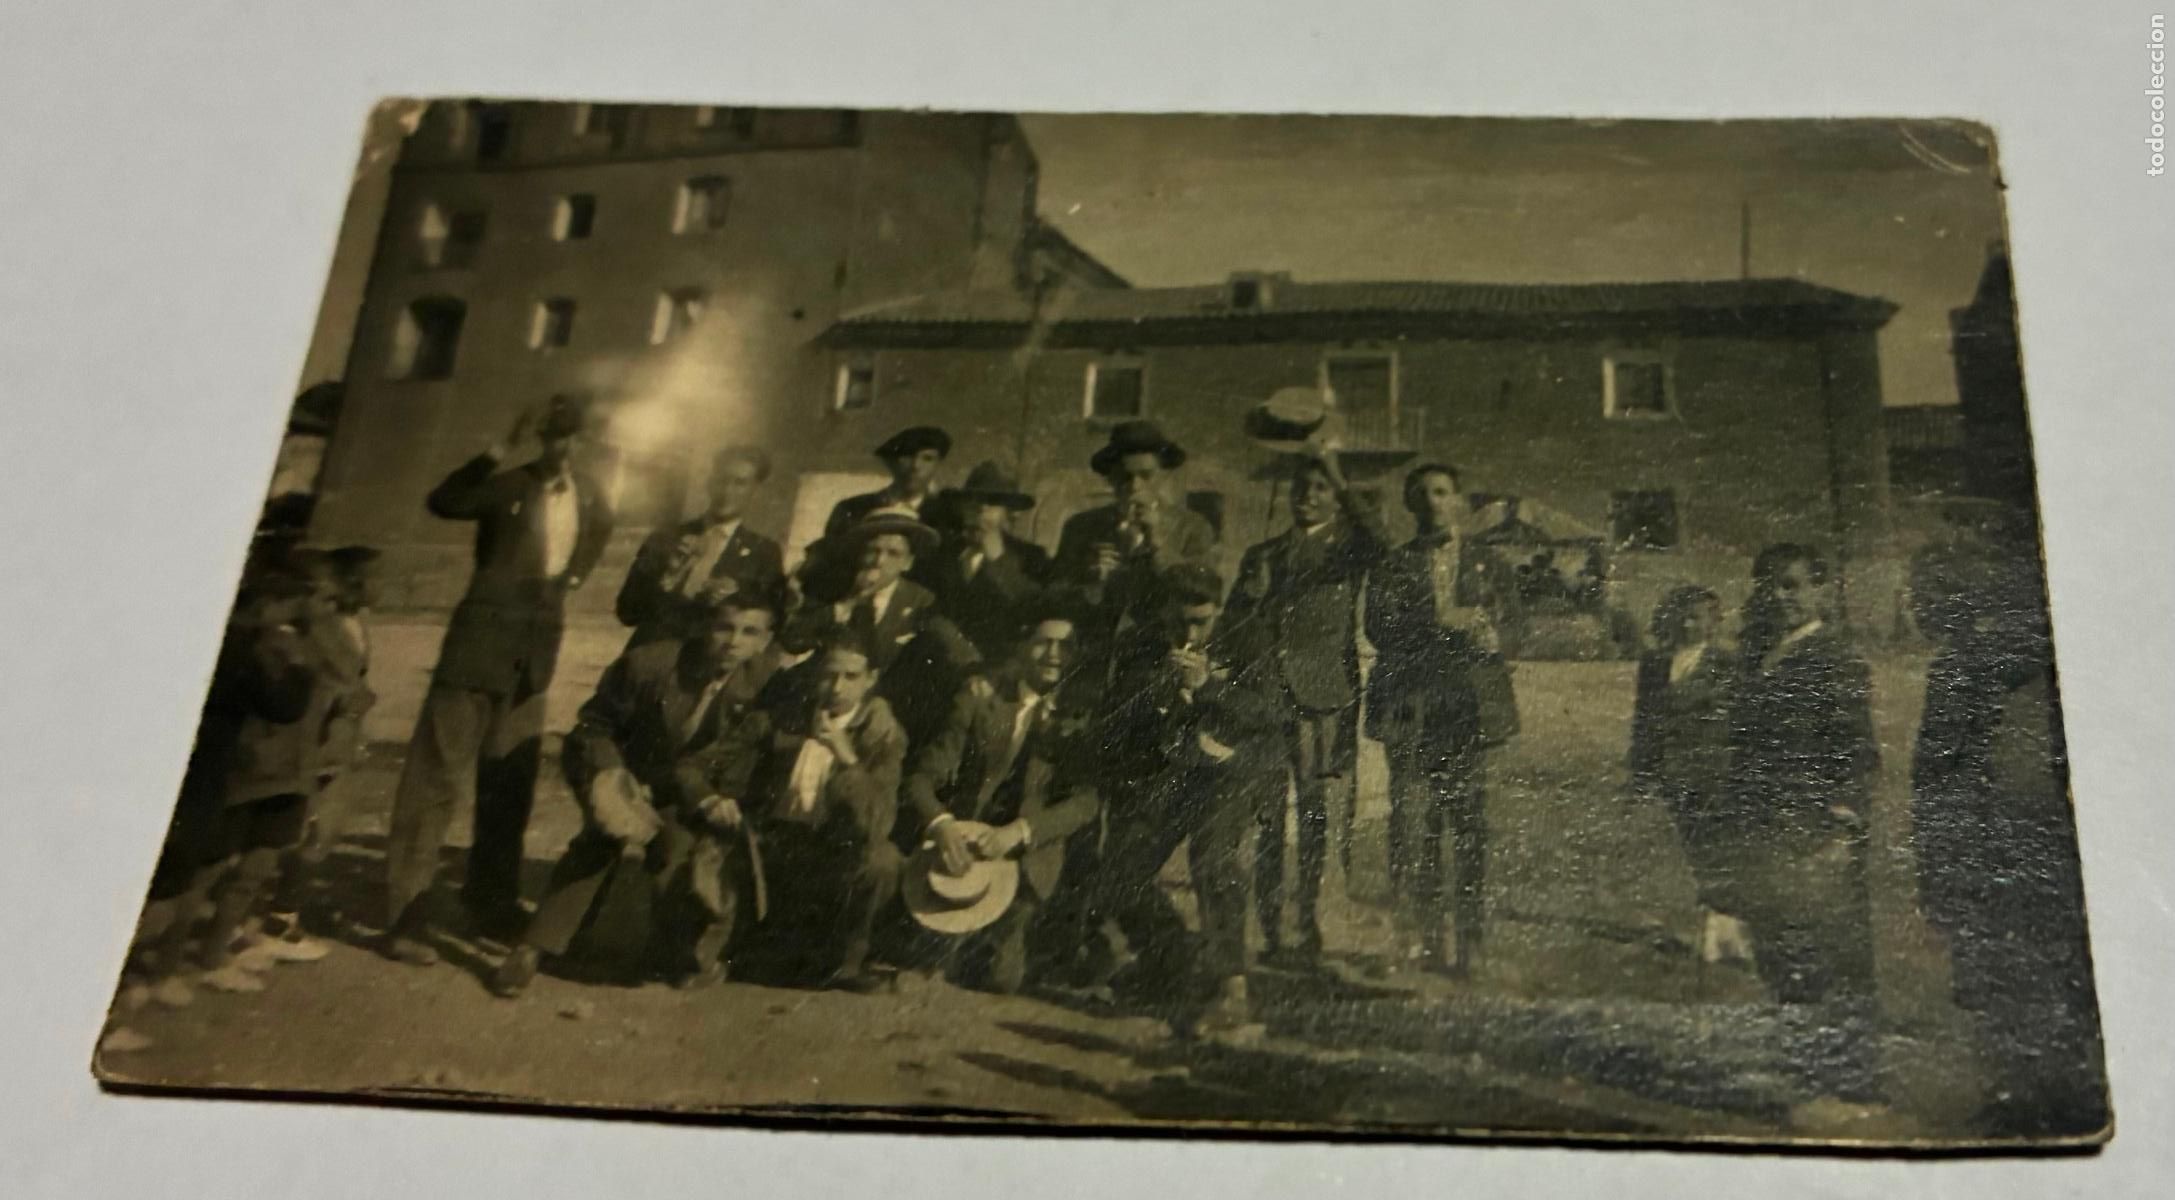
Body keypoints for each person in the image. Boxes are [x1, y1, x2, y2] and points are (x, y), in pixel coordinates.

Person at [383, 395, 614, 964]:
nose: (567, 449)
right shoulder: (507, 484)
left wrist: (567, 585)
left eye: (577, 439)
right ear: (543, 439)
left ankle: (490, 901)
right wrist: (497, 448)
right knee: (435, 782)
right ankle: (403, 919)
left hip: (532, 662)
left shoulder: (592, 497)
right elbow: (446, 500)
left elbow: (593, 541)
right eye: (558, 438)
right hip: (477, 652)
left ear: (588, 443)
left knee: (509, 785)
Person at [491, 589, 783, 997]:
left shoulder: (766, 685)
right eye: (724, 628)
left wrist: (715, 796)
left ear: (765, 640)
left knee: (677, 852)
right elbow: (593, 727)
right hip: (619, 765)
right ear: (705, 627)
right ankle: (532, 949)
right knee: (602, 838)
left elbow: (744, 752)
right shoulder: (652, 664)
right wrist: (614, 778)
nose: (734, 642)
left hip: (681, 785)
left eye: (749, 632)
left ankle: (669, 953)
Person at [1909, 539, 2106, 1135]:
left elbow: (1946, 774)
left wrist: (1939, 860)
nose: (1917, 604)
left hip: (2006, 847)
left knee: (2021, 978)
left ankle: (2038, 1101)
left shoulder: (1982, 660)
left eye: (1931, 591)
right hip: (1994, 848)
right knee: (2012, 979)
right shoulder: (1978, 657)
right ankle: (2026, 1095)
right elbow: (1938, 775)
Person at [1717, 544, 1883, 1105]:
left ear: (1818, 589)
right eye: (1770, 586)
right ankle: (1801, 1068)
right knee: (1779, 946)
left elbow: (1856, 749)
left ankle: (1845, 1079)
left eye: (1792, 586)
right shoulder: (1761, 654)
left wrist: (1840, 825)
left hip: (1812, 830)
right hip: (1764, 825)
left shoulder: (1832, 656)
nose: (1781, 597)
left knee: (1825, 953)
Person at [1095, 564, 1282, 1037]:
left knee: (1214, 857)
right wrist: (1156, 694)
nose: (1190, 632)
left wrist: (1208, 688)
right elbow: (1118, 716)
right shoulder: (1141, 642)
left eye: (1201, 621)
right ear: (1161, 612)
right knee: (1122, 861)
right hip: (1173, 771)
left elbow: (1267, 712)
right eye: (1179, 622)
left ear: (1218, 610)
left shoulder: (1248, 637)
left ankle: (1230, 987)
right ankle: (1174, 960)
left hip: (1233, 770)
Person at [1222, 444, 1388, 967]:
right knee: (1269, 816)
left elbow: (1385, 545)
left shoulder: (1348, 550)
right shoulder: (1262, 554)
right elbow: (1232, 624)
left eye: (1319, 490)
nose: (1307, 498)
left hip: (1324, 701)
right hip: (1267, 702)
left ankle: (1310, 927)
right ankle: (1273, 929)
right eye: (1301, 488)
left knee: (1320, 818)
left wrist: (1340, 476)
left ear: (1336, 500)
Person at [898, 602, 1101, 993]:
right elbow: (922, 778)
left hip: (1028, 854)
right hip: (964, 848)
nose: (1054, 655)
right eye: (1044, 643)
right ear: (1023, 646)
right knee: (932, 960)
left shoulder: (1085, 715)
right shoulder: (980, 698)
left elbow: (1086, 801)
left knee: (1000, 978)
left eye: (1066, 645)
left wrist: (1021, 832)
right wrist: (942, 825)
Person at [1363, 463, 1512, 977]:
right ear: (1411, 505)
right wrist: (1441, 622)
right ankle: (1420, 940)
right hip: (1412, 707)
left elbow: (1512, 617)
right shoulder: (1393, 564)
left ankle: (1470, 943)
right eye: (1422, 494)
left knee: (1469, 826)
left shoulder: (1488, 562)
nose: (1433, 502)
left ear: (1458, 501)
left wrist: (1499, 638)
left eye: (1443, 492)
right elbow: (1380, 627)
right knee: (1412, 827)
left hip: (1466, 709)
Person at [743, 633, 908, 992]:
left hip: (833, 848)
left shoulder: (882, 733)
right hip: (777, 841)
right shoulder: (790, 714)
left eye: (850, 677)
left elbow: (879, 820)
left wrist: (847, 758)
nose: (837, 687)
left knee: (884, 860)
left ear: (870, 680)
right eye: (829, 675)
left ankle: (850, 959)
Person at [780, 511, 977, 748]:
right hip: (827, 706)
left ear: (908, 562)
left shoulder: (920, 601)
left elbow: (957, 648)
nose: (879, 561)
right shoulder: (837, 592)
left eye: (893, 553)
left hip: (882, 718)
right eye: (873, 550)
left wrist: (976, 672)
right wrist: (848, 603)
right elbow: (792, 640)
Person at [1626, 585, 1745, 963]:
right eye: (1684, 616)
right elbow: (1643, 719)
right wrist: (1640, 769)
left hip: (1712, 771)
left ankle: (1723, 929)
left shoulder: (1724, 663)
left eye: (1700, 617)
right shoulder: (1656, 663)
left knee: (1716, 847)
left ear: (1714, 622)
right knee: (1693, 845)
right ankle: (1721, 925)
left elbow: (1730, 722)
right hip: (1671, 771)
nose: (1691, 624)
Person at [1051, 420, 1218, 650]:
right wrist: (1087, 577)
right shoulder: (1081, 527)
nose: (1134, 485)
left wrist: (1158, 543)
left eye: (1145, 475)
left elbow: (1200, 596)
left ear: (1162, 477)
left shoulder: (1193, 527)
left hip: (1155, 654)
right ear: (1110, 478)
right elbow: (1054, 597)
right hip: (1093, 654)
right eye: (1124, 476)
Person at [616, 444, 785, 651]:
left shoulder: (764, 553)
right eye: (721, 480)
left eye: (739, 483)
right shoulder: (665, 538)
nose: (727, 491)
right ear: (709, 482)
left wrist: (731, 598)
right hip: (648, 656)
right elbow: (627, 612)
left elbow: (768, 623)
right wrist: (668, 578)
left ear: (755, 491)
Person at [921, 461, 1053, 657]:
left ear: (1007, 512)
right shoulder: (938, 554)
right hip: (943, 661)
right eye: (973, 500)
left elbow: (1033, 609)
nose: (981, 508)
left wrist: (999, 561)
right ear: (961, 507)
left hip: (1002, 664)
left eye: (992, 502)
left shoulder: (1031, 557)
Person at [823, 426, 952, 536]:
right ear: (892, 462)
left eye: (927, 459)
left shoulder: (947, 515)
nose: (916, 466)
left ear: (938, 465)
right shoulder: (853, 509)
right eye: (907, 456)